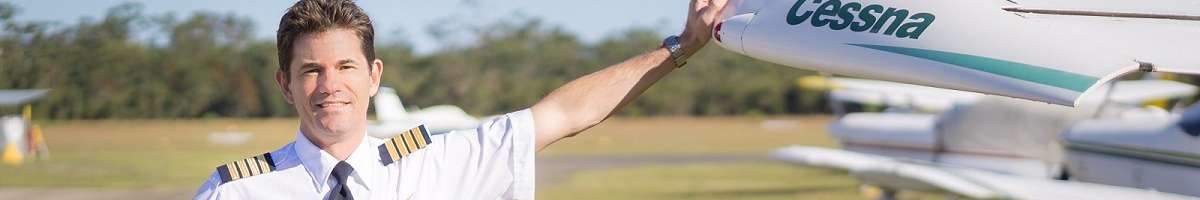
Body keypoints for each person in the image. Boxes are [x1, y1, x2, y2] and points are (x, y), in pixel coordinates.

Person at [194, 0, 727, 199]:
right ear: (285, 84)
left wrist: (683, 46)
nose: (330, 85)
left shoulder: (440, 162)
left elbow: (565, 113)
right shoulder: (236, 192)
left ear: (374, 77)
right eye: (311, 70)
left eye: (345, 67)